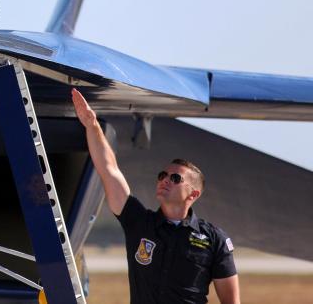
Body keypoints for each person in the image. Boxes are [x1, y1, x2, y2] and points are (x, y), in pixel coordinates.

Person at [71, 89, 240, 304]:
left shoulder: (214, 239)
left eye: (175, 178)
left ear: (194, 193)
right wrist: (92, 125)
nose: (165, 180)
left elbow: (231, 301)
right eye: (162, 175)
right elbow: (109, 169)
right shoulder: (138, 222)